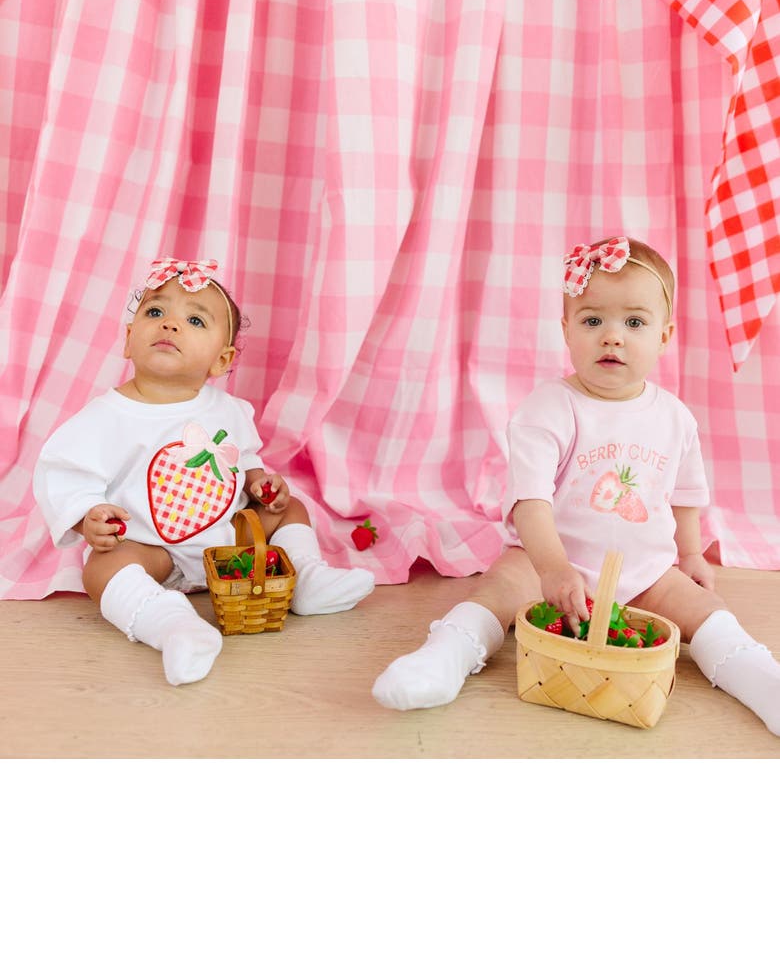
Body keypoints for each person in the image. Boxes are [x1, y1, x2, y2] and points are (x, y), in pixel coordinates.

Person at [372, 236, 780, 736]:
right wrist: (553, 568)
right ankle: (444, 657)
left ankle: (760, 679)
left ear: (665, 335)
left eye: (634, 322)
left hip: (646, 570)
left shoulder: (675, 417)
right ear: (566, 329)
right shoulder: (549, 408)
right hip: (546, 558)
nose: (613, 337)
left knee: (707, 612)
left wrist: (691, 555)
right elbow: (531, 502)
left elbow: (685, 496)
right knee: (499, 591)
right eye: (593, 321)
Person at [33, 257, 374, 686]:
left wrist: (259, 483)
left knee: (291, 510)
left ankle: (303, 577)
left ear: (221, 360)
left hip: (229, 539)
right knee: (101, 568)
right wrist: (88, 517)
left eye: (195, 320)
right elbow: (67, 475)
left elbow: (243, 461)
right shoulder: (103, 417)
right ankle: (169, 624)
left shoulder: (229, 410)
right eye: (155, 312)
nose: (170, 325)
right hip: (152, 549)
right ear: (127, 339)